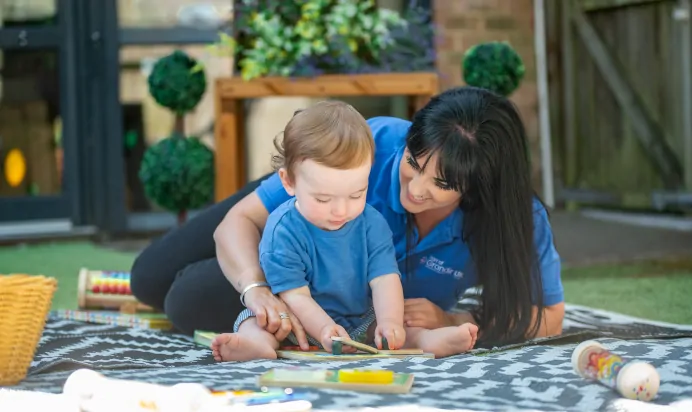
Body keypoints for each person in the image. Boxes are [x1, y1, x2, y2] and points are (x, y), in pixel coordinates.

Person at [129, 86, 565, 351]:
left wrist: (454, 320)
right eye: (414, 162)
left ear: (479, 188)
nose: (415, 190)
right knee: (147, 278)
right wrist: (257, 289)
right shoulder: (368, 146)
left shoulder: (515, 218)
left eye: (442, 185)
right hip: (293, 231)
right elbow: (240, 220)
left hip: (334, 297)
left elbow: (550, 316)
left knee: (185, 299)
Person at [209, 101, 478, 361]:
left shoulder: (370, 222)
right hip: (296, 319)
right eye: (323, 199)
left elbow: (385, 278)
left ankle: (427, 341)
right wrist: (325, 329)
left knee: (398, 330)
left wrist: (390, 323)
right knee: (259, 322)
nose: (341, 211)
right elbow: (295, 295)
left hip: (358, 319)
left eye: (356, 194)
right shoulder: (283, 229)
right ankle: (256, 345)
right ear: (289, 183)